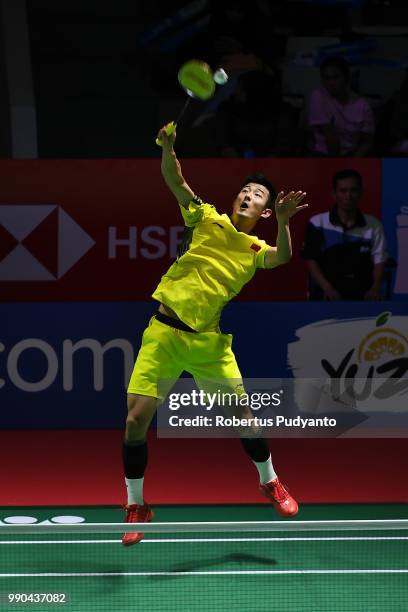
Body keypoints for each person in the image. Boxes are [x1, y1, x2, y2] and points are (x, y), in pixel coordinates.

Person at [122, 125, 308, 546]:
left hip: (208, 345)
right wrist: (169, 147)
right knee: (135, 423)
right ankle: (137, 504)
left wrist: (282, 222)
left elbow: (283, 258)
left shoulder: (255, 247)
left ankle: (270, 482)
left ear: (264, 210)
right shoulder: (205, 217)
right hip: (164, 335)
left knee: (244, 420)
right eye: (245, 189)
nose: (248, 195)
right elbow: (177, 181)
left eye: (257, 194)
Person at [301, 169, 387, 301]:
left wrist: (375, 288)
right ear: (334, 194)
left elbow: (379, 259)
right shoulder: (317, 223)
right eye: (343, 191)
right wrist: (327, 288)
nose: (348, 196)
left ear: (360, 193)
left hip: (363, 294)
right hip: (326, 293)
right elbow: (311, 259)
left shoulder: (374, 225)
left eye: (353, 190)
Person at [306, 57, 375, 157]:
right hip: (323, 154)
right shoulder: (319, 96)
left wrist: (353, 161)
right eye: (326, 78)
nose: (330, 83)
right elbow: (331, 138)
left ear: (346, 78)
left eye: (335, 77)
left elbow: (367, 142)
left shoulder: (363, 106)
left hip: (351, 155)